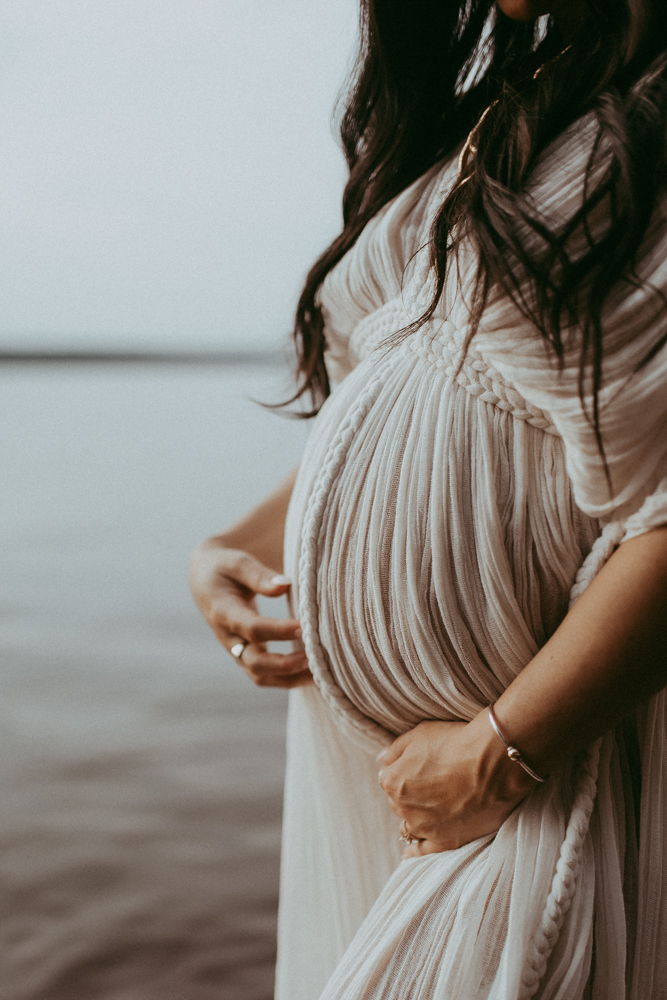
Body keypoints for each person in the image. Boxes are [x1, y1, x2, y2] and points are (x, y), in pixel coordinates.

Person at [189, 0, 667, 996]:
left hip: (525, 767)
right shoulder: (513, 106)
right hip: (403, 778)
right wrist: (236, 543)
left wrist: (501, 752)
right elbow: (405, 390)